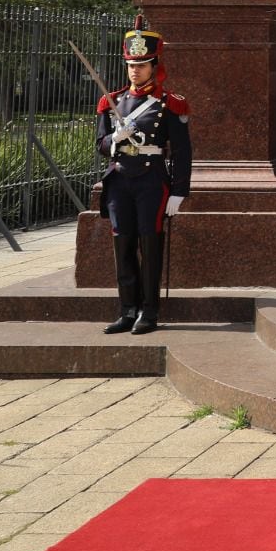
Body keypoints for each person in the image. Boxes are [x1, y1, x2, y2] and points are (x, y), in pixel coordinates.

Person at [95, 17, 192, 336]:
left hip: (152, 183)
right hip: (120, 181)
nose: (135, 70)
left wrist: (179, 191)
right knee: (123, 247)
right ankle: (127, 310)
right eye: (131, 65)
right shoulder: (112, 102)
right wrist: (116, 139)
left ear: (154, 65)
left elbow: (181, 151)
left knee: (149, 247)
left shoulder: (169, 104)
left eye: (142, 65)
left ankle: (149, 312)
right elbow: (100, 145)